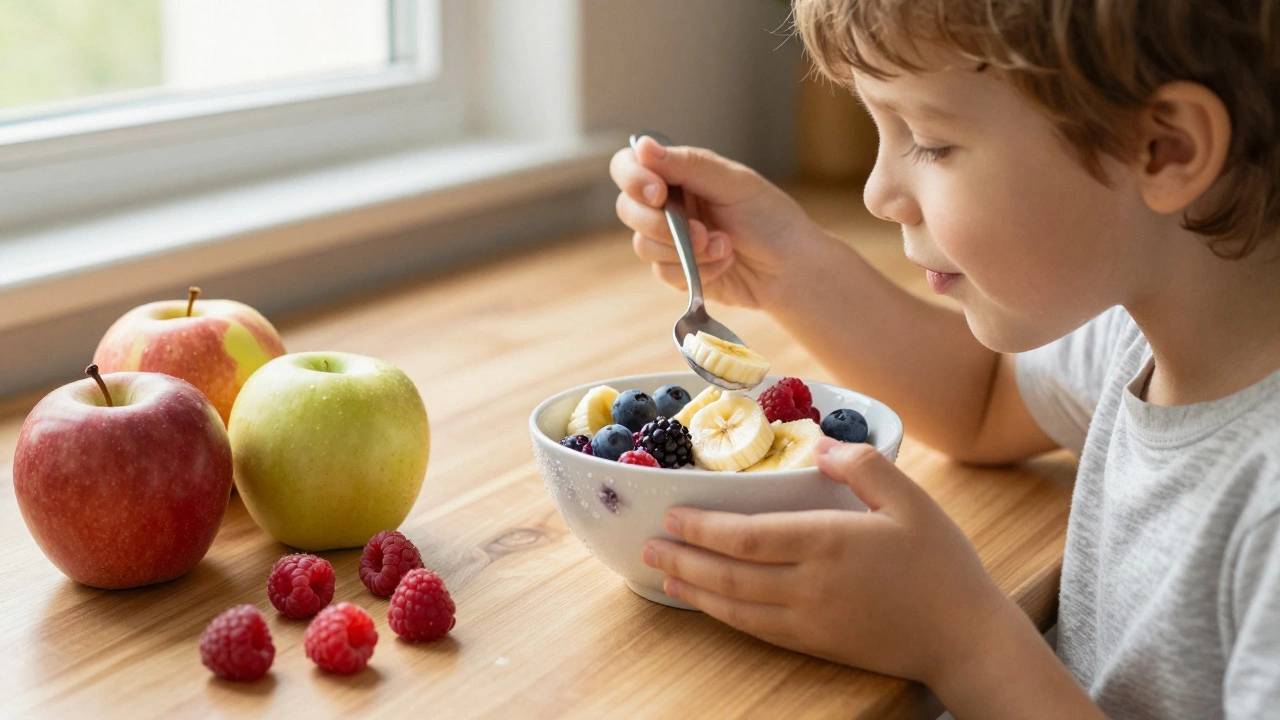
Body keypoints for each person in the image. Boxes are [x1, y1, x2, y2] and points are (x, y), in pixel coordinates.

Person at [608, 1, 1280, 717]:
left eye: (928, 141)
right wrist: (790, 265)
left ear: (1165, 149)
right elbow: (983, 399)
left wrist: (964, 643)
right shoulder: (1146, 331)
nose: (877, 193)